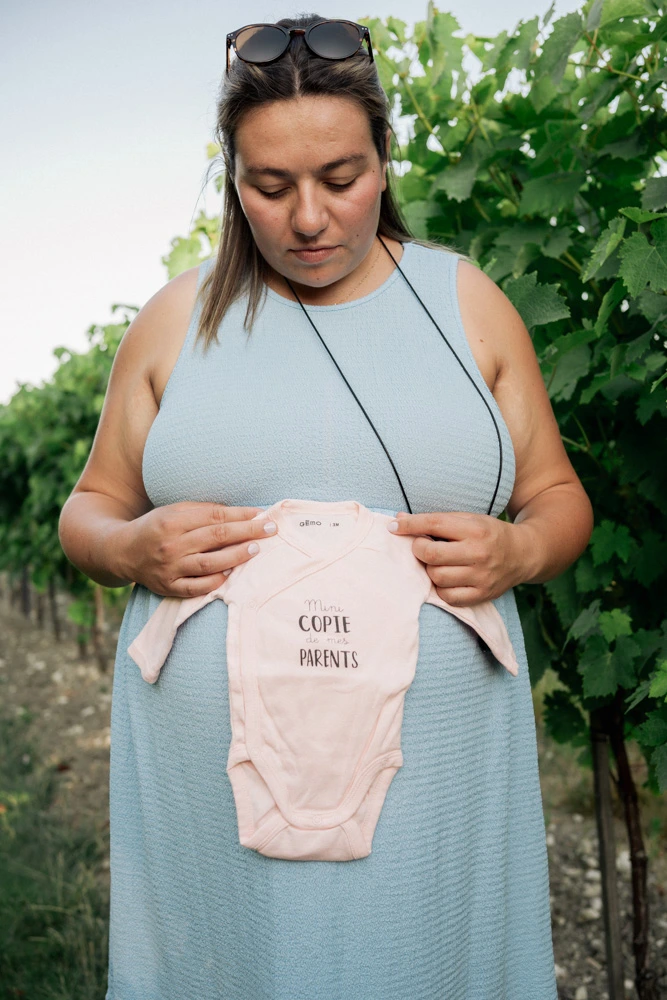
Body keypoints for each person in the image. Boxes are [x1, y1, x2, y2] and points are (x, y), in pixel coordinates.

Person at [58, 13, 594, 999]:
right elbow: (86, 510)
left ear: (383, 160)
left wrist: (520, 552)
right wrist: (129, 546)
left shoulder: (466, 304)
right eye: (270, 186)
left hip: (436, 791)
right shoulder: (178, 320)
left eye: (340, 178)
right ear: (233, 181)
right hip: (211, 810)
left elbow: (558, 498)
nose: (308, 217)